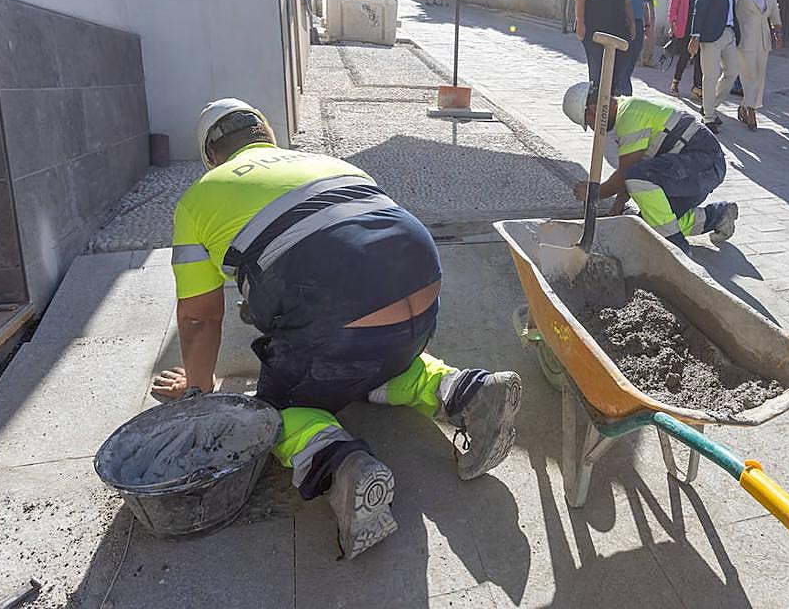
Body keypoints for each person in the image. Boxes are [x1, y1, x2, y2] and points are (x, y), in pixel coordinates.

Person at [152, 99, 522, 559]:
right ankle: (466, 391)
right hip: (422, 296)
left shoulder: (199, 197)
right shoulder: (327, 162)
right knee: (372, 356)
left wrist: (199, 389)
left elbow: (199, 316)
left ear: (211, 156)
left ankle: (341, 466)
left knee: (276, 408)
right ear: (267, 134)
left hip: (341, 322)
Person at [561, 84, 738, 256]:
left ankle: (676, 248)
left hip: (703, 164)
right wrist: (617, 207)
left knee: (639, 185)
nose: (593, 129)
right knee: (646, 227)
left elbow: (628, 174)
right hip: (691, 170)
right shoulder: (628, 110)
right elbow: (636, 168)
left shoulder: (629, 115)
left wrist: (595, 192)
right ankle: (719, 215)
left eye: (589, 123)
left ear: (593, 110)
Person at [688, 0, 743, 133]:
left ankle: (709, 105)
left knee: (732, 72)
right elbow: (699, 7)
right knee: (710, 77)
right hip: (711, 35)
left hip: (728, 33)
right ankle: (709, 117)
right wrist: (695, 36)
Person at [732, 0, 782, 130]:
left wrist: (778, 32)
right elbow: (730, 12)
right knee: (748, 75)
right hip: (745, 37)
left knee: (760, 76)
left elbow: (774, 12)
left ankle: (746, 105)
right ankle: (751, 110)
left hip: (763, 37)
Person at [574, 0, 634, 88]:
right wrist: (580, 23)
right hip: (594, 33)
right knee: (597, 72)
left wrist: (632, 23)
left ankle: (609, 103)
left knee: (616, 71)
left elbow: (627, 2)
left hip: (617, 32)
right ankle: (594, 104)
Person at [664, 0, 705, 98]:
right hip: (684, 23)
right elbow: (673, 5)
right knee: (686, 54)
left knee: (700, 55)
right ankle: (676, 81)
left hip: (699, 24)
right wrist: (672, 23)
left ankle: (696, 86)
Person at [617, 0, 652, 96]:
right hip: (622, 23)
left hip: (638, 23)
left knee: (634, 55)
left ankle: (623, 84)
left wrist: (648, 25)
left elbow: (645, 5)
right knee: (623, 56)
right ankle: (624, 88)